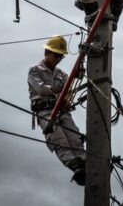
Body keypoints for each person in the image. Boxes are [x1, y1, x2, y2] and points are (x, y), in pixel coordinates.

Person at [28, 35, 86, 186]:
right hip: (46, 111)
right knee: (59, 140)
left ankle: (87, 163)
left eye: (61, 56)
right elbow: (41, 89)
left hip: (62, 111)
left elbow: (71, 84)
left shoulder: (61, 74)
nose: (58, 58)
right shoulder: (34, 71)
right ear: (47, 52)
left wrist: (79, 72)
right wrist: (60, 91)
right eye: (56, 55)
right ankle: (75, 167)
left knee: (75, 138)